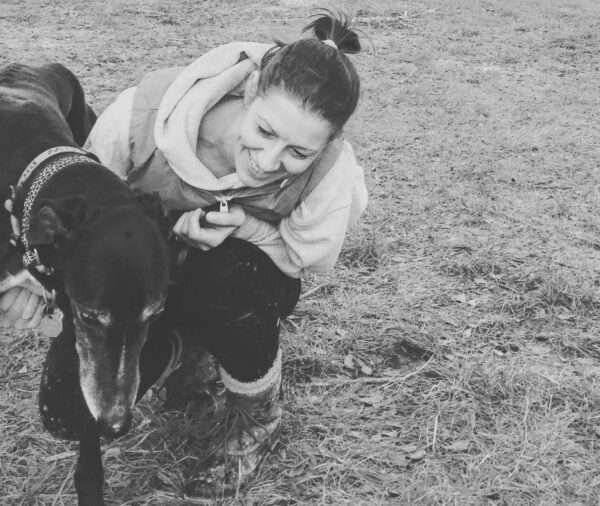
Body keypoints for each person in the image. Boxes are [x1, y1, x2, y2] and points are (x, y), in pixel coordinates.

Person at [8, 10, 368, 495]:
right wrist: (31, 276)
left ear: (328, 144)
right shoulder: (141, 115)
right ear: (251, 88)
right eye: (264, 131)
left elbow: (308, 258)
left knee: (219, 271)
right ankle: (186, 352)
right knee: (70, 409)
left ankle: (257, 417)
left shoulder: (331, 174)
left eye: (298, 153)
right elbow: (87, 223)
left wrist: (246, 226)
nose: (268, 162)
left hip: (245, 287)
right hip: (143, 292)